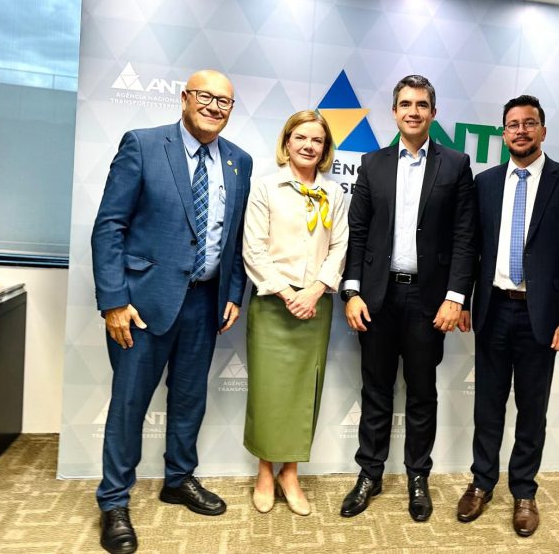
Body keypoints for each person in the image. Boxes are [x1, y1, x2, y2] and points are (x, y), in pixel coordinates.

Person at [91, 70, 252, 554]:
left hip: (205, 302)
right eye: (205, 96)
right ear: (184, 98)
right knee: (129, 404)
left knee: (189, 399)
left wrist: (234, 291)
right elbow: (109, 227)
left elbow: (235, 238)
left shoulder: (239, 161)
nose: (215, 106)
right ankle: (114, 501)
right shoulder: (142, 145)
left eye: (225, 101)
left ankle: (179, 479)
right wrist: (113, 301)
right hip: (142, 304)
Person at [456, 94, 559, 537]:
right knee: (488, 406)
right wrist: (463, 300)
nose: (521, 131)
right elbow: (470, 248)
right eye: (513, 124)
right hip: (493, 308)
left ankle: (524, 492)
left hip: (543, 316)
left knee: (532, 409)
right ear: (503, 133)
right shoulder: (485, 182)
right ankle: (482, 483)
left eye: (529, 123)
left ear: (543, 130)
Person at [339, 75, 475, 522]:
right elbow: (357, 233)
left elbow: (465, 237)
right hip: (377, 299)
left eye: (421, 104)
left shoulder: (455, 164)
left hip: (428, 301)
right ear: (394, 112)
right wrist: (352, 291)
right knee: (375, 391)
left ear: (433, 112)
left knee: (421, 393)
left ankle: (418, 477)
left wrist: (456, 297)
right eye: (405, 104)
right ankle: (370, 475)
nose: (413, 111)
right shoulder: (372, 163)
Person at [242, 110, 348, 516]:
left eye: (317, 140)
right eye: (301, 137)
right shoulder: (266, 188)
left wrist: (315, 291)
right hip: (273, 304)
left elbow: (339, 247)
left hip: (315, 307)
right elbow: (254, 249)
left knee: (305, 392)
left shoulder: (334, 193)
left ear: (325, 148)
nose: (308, 145)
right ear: (287, 141)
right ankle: (265, 471)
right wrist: (289, 295)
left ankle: (290, 473)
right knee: (268, 391)